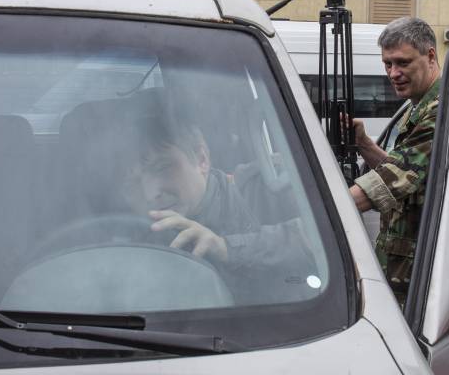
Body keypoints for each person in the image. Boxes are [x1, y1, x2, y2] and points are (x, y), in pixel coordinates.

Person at [117, 113, 314, 301]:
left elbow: (324, 240)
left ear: (202, 160)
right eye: (133, 183)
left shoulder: (271, 185)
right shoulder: (131, 244)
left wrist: (227, 248)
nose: (150, 193)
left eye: (162, 167)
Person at [348, 16, 441, 306]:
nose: (393, 73)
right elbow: (409, 169)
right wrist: (364, 145)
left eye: (402, 62)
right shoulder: (417, 106)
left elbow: (394, 178)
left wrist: (322, 214)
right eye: (387, 64)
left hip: (422, 280)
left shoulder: (441, 110)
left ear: (430, 56)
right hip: (404, 272)